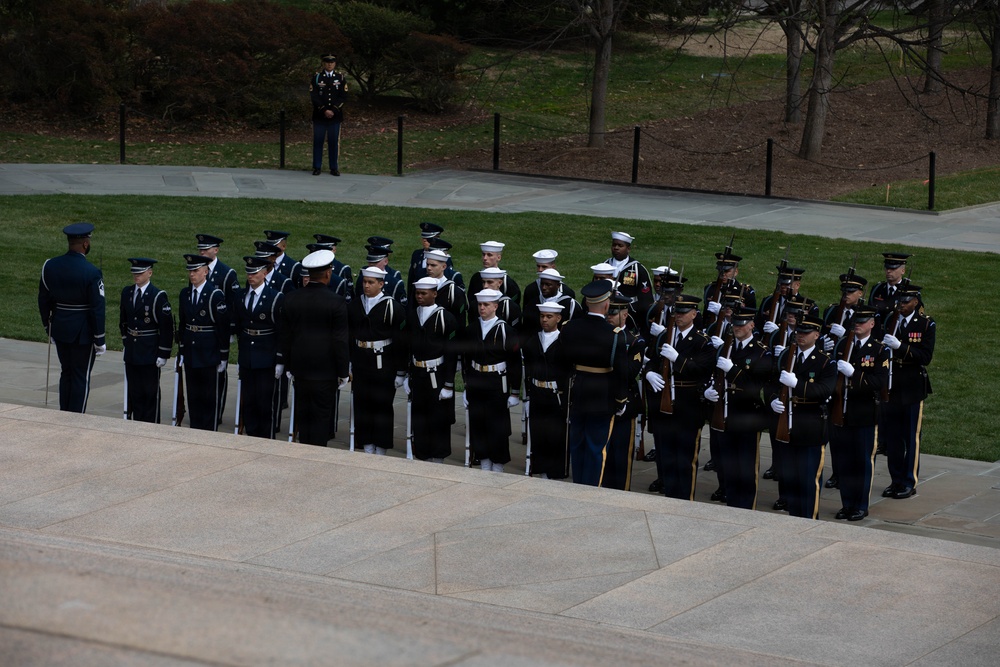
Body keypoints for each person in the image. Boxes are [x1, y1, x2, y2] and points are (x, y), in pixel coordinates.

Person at [643, 294, 715, 500]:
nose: (679, 316)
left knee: (685, 459)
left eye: (684, 313)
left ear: (694, 314)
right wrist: (648, 372)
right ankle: (670, 495)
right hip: (664, 406)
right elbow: (651, 360)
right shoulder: (664, 336)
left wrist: (678, 359)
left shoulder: (702, 342)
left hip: (688, 407)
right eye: (676, 312)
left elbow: (702, 370)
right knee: (666, 456)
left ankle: (685, 499)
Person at [557, 280, 629, 486]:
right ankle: (591, 489)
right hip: (602, 396)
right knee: (596, 447)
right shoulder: (614, 335)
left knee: (577, 444)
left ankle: (578, 485)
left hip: (576, 392)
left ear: (587, 303)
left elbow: (561, 363)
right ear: (606, 305)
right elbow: (621, 372)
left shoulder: (569, 328)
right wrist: (620, 399)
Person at [767, 314, 836, 519]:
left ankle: (808, 520)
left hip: (810, 426)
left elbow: (824, 391)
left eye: (806, 333)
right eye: (798, 332)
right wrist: (772, 399)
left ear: (816, 335)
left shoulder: (825, 362)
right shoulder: (786, 356)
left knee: (808, 480)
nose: (800, 336)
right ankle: (794, 518)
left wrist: (797, 385)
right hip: (786, 424)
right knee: (790, 479)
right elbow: (771, 383)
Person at [278, 250, 350, 446]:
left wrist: (289, 364)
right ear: (328, 274)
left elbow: (285, 336)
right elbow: (340, 340)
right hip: (325, 372)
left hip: (300, 370)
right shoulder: (336, 302)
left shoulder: (291, 298)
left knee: (304, 416)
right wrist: (344, 372)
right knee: (321, 419)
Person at [703, 306, 770, 510]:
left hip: (747, 416)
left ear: (751, 325)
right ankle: (732, 503)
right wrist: (708, 391)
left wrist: (732, 370)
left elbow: (754, 387)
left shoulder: (760, 352)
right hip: (725, 414)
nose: (737, 328)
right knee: (728, 466)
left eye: (741, 324)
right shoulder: (726, 348)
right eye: (734, 324)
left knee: (746, 467)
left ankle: (746, 507)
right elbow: (712, 375)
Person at [38, 223, 106, 413]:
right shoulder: (92, 272)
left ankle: (64, 414)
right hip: (82, 334)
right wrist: (100, 338)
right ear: (85, 244)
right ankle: (76, 418)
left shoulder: (50, 266)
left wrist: (48, 327)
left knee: (66, 373)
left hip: (60, 330)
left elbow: (44, 300)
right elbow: (97, 308)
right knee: (80, 376)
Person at [829, 305, 888, 520]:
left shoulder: (880, 350)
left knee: (862, 462)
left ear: (872, 324)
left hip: (863, 414)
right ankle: (847, 504)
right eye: (856, 321)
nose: (858, 325)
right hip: (841, 412)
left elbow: (879, 382)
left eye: (863, 322)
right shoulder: (844, 344)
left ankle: (861, 505)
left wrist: (854, 374)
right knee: (843, 462)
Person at [879, 283, 934, 500]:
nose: (900, 305)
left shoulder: (926, 324)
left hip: (911, 387)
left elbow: (925, 357)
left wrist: (900, 347)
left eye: (905, 302)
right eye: (899, 301)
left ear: (916, 302)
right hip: (891, 386)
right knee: (893, 438)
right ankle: (895, 480)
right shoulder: (889, 321)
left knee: (911, 438)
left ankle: (909, 482)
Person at [460, 288, 522, 472]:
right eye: (480, 304)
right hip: (477, 381)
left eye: (486, 305)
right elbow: (466, 360)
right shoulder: (471, 329)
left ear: (496, 306)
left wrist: (515, 391)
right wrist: (466, 386)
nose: (482, 308)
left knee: (497, 425)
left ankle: (498, 462)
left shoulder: (506, 331)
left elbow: (515, 362)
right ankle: (483, 459)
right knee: (478, 423)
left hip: (497, 383)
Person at [348, 266, 406, 455]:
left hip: (384, 364)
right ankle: (366, 444)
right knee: (362, 404)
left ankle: (381, 447)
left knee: (382, 405)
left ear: (381, 284)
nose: (366, 286)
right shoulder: (356, 304)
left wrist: (400, 371)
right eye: (365, 282)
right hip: (361, 362)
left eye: (371, 283)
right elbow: (349, 336)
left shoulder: (392, 307)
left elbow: (399, 341)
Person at [405, 277, 459, 462]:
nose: (419, 297)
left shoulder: (446, 318)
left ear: (434, 294)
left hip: (437, 375)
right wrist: (406, 375)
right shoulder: (412, 315)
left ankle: (438, 456)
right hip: (418, 374)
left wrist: (449, 384)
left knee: (438, 418)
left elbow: (451, 354)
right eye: (417, 293)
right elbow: (408, 347)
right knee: (419, 417)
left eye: (423, 293)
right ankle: (422, 454)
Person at [177, 254, 230, 431]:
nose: (192, 274)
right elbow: (183, 324)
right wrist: (182, 350)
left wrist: (223, 356)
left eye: (196, 270)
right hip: (192, 351)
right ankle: (196, 425)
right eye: (190, 271)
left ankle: (209, 428)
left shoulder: (215, 295)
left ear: (205, 272)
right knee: (193, 394)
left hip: (209, 352)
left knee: (208, 395)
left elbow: (222, 328)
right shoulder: (185, 294)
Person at [235, 256, 285, 438]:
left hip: (267, 356)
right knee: (249, 401)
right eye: (249, 272)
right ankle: (252, 433)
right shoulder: (241, 296)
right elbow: (240, 325)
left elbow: (281, 330)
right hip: (248, 356)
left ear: (264, 273)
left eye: (255, 273)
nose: (251, 276)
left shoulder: (275, 297)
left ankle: (266, 437)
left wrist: (280, 359)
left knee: (265, 402)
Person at [119, 257, 173, 423]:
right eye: (135, 272)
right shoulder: (127, 292)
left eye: (141, 272)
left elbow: (166, 327)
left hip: (149, 352)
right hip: (133, 352)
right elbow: (123, 321)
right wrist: (126, 342)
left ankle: (151, 424)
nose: (137, 275)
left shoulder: (157, 296)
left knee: (149, 393)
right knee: (135, 392)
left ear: (150, 273)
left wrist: (163, 353)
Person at [521, 302, 570, 479]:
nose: (544, 320)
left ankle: (554, 474)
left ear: (558, 318)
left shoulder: (564, 342)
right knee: (539, 435)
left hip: (555, 396)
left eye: (549, 317)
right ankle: (542, 472)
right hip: (537, 394)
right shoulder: (533, 341)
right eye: (542, 316)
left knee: (555, 437)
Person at [603, 293, 646, 490]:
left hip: (624, 405)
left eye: (613, 313)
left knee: (620, 457)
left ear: (625, 314)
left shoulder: (634, 341)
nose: (609, 317)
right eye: (607, 312)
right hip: (602, 400)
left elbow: (630, 372)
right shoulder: (601, 335)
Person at [310, 53, 347, 176]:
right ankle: (317, 167)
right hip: (320, 116)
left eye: (332, 62)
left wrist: (334, 110)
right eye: (327, 62)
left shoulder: (340, 78)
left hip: (335, 117)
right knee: (318, 141)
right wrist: (324, 110)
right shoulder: (317, 78)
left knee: (333, 142)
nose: (329, 64)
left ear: (335, 64)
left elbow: (343, 96)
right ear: (323, 63)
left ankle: (334, 167)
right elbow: (314, 96)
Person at [605, 231, 653, 322]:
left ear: (628, 249)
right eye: (614, 245)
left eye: (620, 245)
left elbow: (646, 300)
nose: (616, 248)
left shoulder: (638, 269)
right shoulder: (604, 266)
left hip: (630, 315)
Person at [869, 252, 912, 337]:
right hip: (877, 336)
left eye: (893, 269)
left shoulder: (910, 292)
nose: (888, 271)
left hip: (898, 336)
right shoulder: (877, 289)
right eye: (887, 268)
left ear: (903, 271)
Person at [466, 241, 521, 305]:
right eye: (483, 254)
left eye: (489, 255)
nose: (485, 258)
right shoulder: (476, 278)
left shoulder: (507, 282)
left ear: (498, 257)